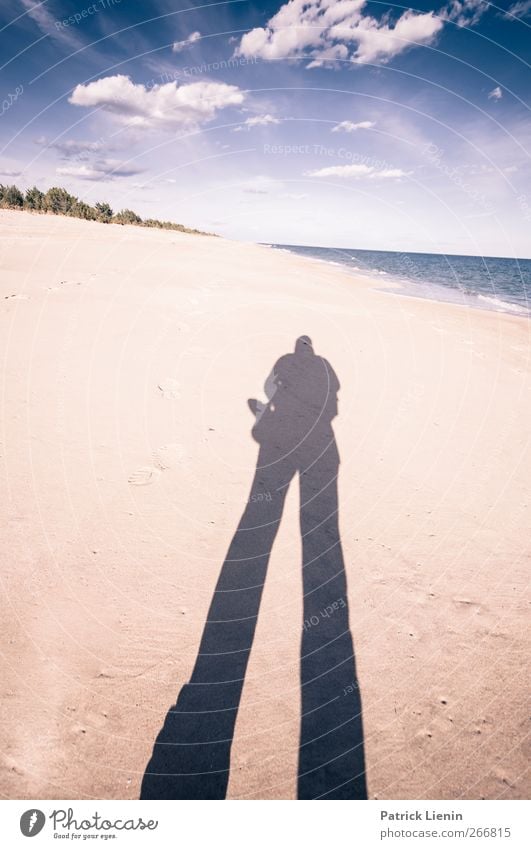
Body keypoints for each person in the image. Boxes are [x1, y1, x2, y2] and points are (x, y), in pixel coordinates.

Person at [141, 337, 367, 800]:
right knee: (317, 528)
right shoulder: (326, 368)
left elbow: (269, 388)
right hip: (321, 447)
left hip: (282, 440)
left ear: (295, 350)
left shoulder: (286, 361)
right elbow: (334, 406)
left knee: (260, 521)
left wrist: (268, 410)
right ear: (313, 350)